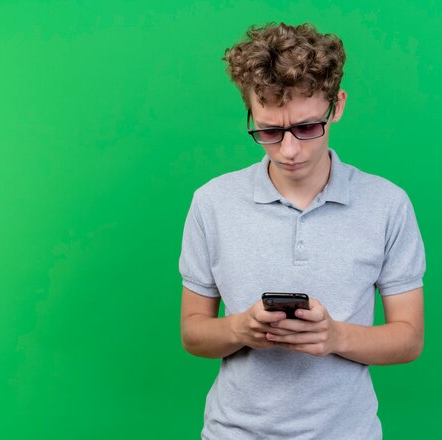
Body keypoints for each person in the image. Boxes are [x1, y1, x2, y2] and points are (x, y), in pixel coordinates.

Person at [179, 22, 426, 440]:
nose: (289, 150)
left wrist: (333, 336)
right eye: (269, 131)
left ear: (337, 105)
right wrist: (241, 329)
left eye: (308, 127)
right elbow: (193, 333)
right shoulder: (212, 202)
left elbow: (408, 339)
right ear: (250, 113)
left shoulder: (387, 204)